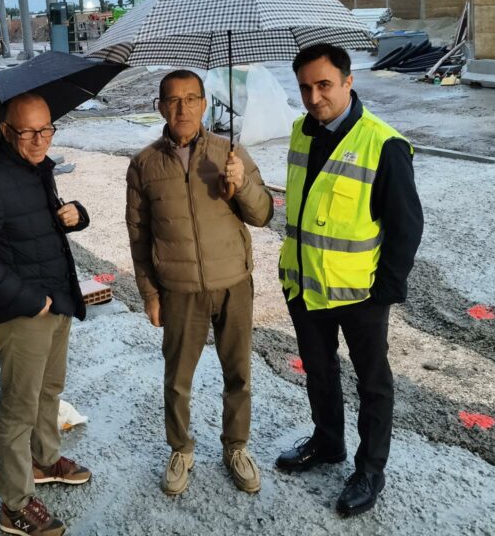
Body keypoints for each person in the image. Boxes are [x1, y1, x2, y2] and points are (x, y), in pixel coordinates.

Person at [275, 43, 423, 517]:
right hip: (305, 287)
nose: (314, 97)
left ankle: (370, 469)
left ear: (348, 82)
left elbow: (406, 226)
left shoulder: (384, 144)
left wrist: (386, 290)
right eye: (305, 87)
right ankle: (328, 442)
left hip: (360, 294)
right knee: (319, 373)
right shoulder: (301, 132)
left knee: (372, 384)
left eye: (324, 85)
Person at [126, 69, 274, 496]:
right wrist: (150, 294)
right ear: (160, 106)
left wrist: (241, 184)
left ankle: (236, 446)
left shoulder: (230, 152)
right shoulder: (144, 164)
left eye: (192, 99)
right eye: (173, 100)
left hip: (233, 284)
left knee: (238, 375)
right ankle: (181, 448)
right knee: (177, 379)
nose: (183, 108)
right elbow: (138, 234)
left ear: (205, 104)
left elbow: (263, 215)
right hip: (179, 289)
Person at [0, 92, 91, 536]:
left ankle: (45, 460)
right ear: (5, 131)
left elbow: (37, 227)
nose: (40, 140)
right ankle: (14, 505)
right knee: (18, 409)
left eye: (47, 129)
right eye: (28, 132)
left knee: (49, 392)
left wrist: (78, 216)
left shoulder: (38, 169)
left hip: (55, 301)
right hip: (21, 314)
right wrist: (31, 300)